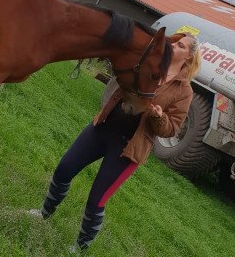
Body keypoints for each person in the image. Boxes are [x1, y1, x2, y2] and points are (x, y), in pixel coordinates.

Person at [29, 33, 201, 253]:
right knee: (64, 169)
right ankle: (43, 213)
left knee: (96, 200)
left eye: (180, 46)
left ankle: (79, 247)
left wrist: (158, 115)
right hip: (103, 127)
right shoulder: (150, 61)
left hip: (128, 148)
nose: (173, 47)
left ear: (188, 56)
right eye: (174, 43)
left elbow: (171, 128)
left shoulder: (183, 91)